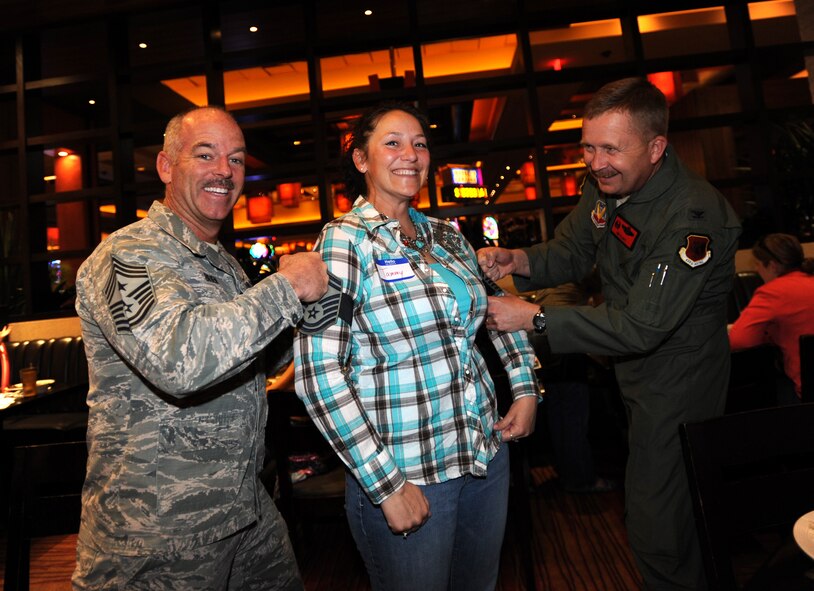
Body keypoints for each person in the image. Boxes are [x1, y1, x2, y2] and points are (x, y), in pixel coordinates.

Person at [478, 78, 742, 590]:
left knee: (658, 527)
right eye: (589, 148)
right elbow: (575, 250)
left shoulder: (692, 218)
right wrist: (520, 259)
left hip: (678, 384)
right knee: (671, 512)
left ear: (656, 147)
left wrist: (532, 317)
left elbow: (642, 326)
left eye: (611, 149)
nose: (596, 162)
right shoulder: (609, 186)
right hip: (633, 376)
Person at [72, 106, 328, 590]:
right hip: (158, 531)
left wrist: (320, 309)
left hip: (243, 508)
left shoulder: (223, 265)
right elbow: (178, 362)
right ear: (167, 167)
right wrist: (285, 289)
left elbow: (260, 358)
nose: (224, 172)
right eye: (205, 155)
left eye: (235, 160)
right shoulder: (127, 256)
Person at [293, 102, 540, 591]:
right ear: (361, 160)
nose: (411, 154)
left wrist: (526, 387)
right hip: (410, 473)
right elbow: (318, 376)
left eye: (420, 143)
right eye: (393, 142)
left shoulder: (446, 237)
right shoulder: (344, 244)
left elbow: (496, 311)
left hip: (485, 454)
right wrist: (386, 485)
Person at [729, 233, 814, 405]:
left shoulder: (773, 292)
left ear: (773, 266)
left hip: (805, 395)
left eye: (758, 265)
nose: (757, 271)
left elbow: (740, 341)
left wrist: (767, 333)